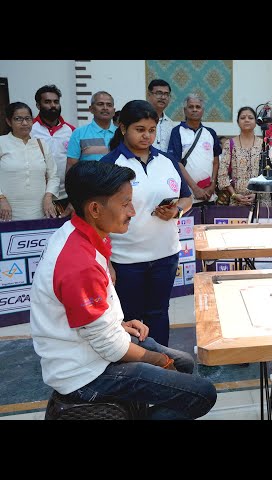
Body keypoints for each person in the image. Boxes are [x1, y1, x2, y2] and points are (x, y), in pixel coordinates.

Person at [30, 161, 216, 420]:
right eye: (125, 203)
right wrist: (156, 360)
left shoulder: (83, 232)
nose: (133, 210)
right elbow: (111, 347)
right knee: (203, 393)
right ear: (95, 209)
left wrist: (118, 324)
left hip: (94, 347)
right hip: (85, 373)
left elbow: (93, 321)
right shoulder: (78, 263)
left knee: (183, 363)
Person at [101, 100, 193, 347]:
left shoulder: (167, 161)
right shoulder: (109, 165)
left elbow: (187, 197)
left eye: (151, 130)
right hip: (126, 259)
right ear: (123, 128)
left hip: (165, 255)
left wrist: (176, 211)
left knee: (159, 313)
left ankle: (162, 362)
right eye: (139, 129)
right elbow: (96, 218)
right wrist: (106, 261)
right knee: (130, 319)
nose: (146, 135)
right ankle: (134, 369)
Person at [0, 102, 59, 221]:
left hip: (41, 211)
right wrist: (1, 199)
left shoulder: (41, 144)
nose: (25, 123)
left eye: (28, 119)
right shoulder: (2, 142)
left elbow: (53, 176)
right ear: (8, 122)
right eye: (18, 119)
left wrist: (48, 196)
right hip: (6, 212)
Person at [167, 93, 222, 205]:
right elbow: (176, 162)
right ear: (185, 110)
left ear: (203, 110)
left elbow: (216, 161)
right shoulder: (177, 132)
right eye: (191, 107)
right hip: (186, 194)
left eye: (198, 107)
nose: (194, 110)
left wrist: (212, 185)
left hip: (208, 194)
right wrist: (195, 188)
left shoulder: (210, 133)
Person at [31, 84, 75, 216]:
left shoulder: (71, 131)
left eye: (56, 102)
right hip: (39, 196)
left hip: (66, 195)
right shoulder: (30, 129)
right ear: (38, 106)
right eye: (47, 102)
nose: (53, 106)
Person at [218, 106, 271, 207]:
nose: (246, 120)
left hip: (261, 200)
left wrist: (256, 195)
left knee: (262, 223)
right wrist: (234, 194)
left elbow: (269, 174)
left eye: (250, 118)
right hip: (236, 200)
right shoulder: (229, 144)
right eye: (243, 118)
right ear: (238, 122)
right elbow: (222, 174)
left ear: (256, 122)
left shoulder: (264, 144)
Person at [66, 91, 116, 173]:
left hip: (117, 184)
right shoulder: (79, 133)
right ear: (91, 109)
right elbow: (71, 165)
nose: (105, 108)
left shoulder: (121, 133)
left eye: (109, 105)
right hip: (88, 184)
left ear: (113, 111)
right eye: (100, 104)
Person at [147, 79, 174, 152]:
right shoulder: (139, 119)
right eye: (159, 93)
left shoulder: (171, 124)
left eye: (166, 94)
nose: (163, 97)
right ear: (149, 95)